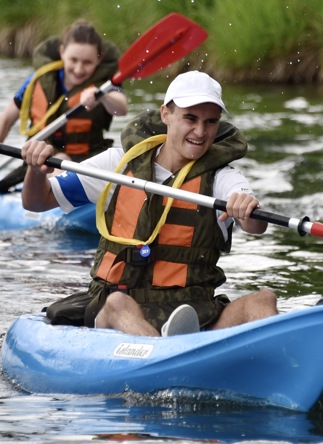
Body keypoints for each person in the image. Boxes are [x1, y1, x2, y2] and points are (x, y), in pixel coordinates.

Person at [21, 71, 278, 337]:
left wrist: (246, 207)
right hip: (119, 306)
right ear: (166, 114)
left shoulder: (223, 177)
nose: (200, 132)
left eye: (210, 122)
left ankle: (283, 363)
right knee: (119, 304)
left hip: (194, 311)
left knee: (263, 300)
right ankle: (165, 352)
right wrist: (35, 171)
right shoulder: (117, 164)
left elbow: (255, 225)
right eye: (190, 118)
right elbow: (37, 201)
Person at [0, 20, 129, 193]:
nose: (78, 68)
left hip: (89, 161)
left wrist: (102, 97)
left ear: (99, 58)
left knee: (63, 158)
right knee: (58, 158)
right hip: (39, 161)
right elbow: (6, 118)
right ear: (62, 52)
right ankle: (47, 195)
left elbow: (121, 108)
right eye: (73, 60)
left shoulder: (105, 86)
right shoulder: (39, 79)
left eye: (87, 62)